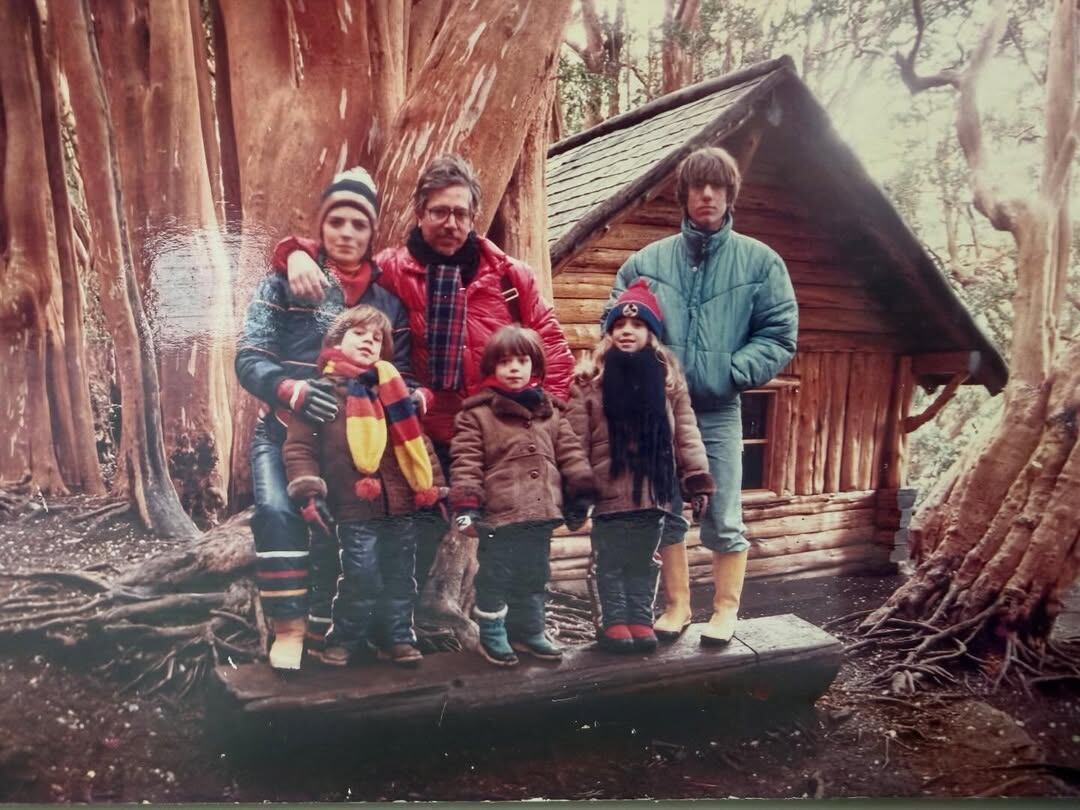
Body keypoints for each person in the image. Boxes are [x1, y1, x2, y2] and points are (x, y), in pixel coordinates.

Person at [273, 154, 575, 583]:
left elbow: (555, 350)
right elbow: (343, 265)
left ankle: (502, 624)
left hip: (498, 429)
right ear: (420, 213)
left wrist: (547, 423)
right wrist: (293, 255)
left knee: (510, 533)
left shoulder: (509, 276)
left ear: (474, 217)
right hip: (421, 432)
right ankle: (409, 625)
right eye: (439, 211)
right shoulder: (395, 270)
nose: (450, 222)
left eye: (461, 213)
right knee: (418, 535)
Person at [608, 146, 797, 645]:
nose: (707, 195)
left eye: (717, 186)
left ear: (730, 194)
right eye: (697, 186)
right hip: (658, 412)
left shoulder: (761, 262)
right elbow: (618, 323)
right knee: (665, 511)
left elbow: (779, 335)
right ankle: (676, 607)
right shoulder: (645, 264)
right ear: (684, 195)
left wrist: (730, 371)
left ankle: (725, 611)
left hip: (716, 410)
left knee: (723, 511)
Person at [235, 167, 418, 670]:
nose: (346, 233)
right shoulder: (284, 281)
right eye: (335, 221)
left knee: (370, 526)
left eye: (359, 224)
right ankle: (289, 629)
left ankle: (367, 630)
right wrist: (291, 390)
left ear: (371, 233)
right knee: (277, 511)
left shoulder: (386, 301)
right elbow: (248, 357)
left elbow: (402, 372)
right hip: (284, 430)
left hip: (359, 439)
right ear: (321, 226)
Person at [283, 305, 445, 667]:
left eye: (377, 339)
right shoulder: (320, 392)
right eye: (360, 334)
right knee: (361, 575)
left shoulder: (392, 392)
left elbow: (418, 443)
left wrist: (436, 488)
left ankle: (397, 638)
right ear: (337, 339)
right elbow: (299, 447)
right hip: (352, 506)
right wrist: (308, 493)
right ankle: (344, 638)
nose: (369, 342)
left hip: (399, 504)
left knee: (401, 576)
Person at [568, 281, 714, 653]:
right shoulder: (590, 383)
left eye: (637, 326)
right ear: (609, 332)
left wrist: (696, 480)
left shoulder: (668, 383)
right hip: (609, 490)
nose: (627, 331)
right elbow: (573, 439)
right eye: (619, 326)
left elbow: (687, 433)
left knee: (643, 560)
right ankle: (613, 621)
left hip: (654, 492)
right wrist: (578, 487)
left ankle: (638, 618)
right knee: (610, 560)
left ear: (651, 333)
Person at [448, 326, 596, 667]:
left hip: (540, 514)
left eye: (521, 361)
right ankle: (493, 632)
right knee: (496, 574)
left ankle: (529, 630)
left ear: (535, 367)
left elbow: (571, 456)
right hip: (498, 517)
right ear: (491, 368)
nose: (514, 368)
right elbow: (466, 462)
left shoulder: (552, 413)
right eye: (504, 362)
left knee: (534, 573)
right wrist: (467, 505)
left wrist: (580, 496)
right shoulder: (477, 415)